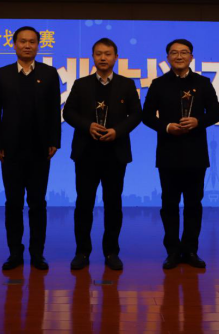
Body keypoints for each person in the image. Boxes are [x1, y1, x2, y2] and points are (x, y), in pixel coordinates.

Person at [142, 39, 219, 270]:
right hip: (168, 152)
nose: (179, 56)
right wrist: (167, 127)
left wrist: (198, 121)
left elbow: (216, 113)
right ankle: (172, 251)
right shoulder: (158, 84)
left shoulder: (203, 83)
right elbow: (146, 116)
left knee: (193, 204)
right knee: (169, 204)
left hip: (196, 153)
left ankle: (191, 250)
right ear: (167, 57)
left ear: (191, 57)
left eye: (184, 52)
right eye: (174, 53)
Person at [63, 38, 142, 271]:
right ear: (93, 57)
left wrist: (118, 131)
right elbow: (68, 112)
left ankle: (111, 252)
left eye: (107, 54)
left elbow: (136, 115)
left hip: (115, 153)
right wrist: (87, 126)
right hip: (86, 153)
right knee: (84, 204)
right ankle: (82, 252)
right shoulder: (81, 84)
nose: (103, 58)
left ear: (116, 57)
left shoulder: (127, 84)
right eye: (98, 54)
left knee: (113, 204)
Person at [0, 26, 61, 271]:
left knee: (38, 203)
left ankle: (37, 254)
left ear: (38, 45)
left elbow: (55, 110)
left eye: (32, 42)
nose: (27, 45)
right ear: (14, 44)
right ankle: (14, 253)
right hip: (11, 150)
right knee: (13, 203)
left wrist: (54, 141)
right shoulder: (2, 74)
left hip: (40, 149)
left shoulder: (49, 74)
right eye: (22, 41)